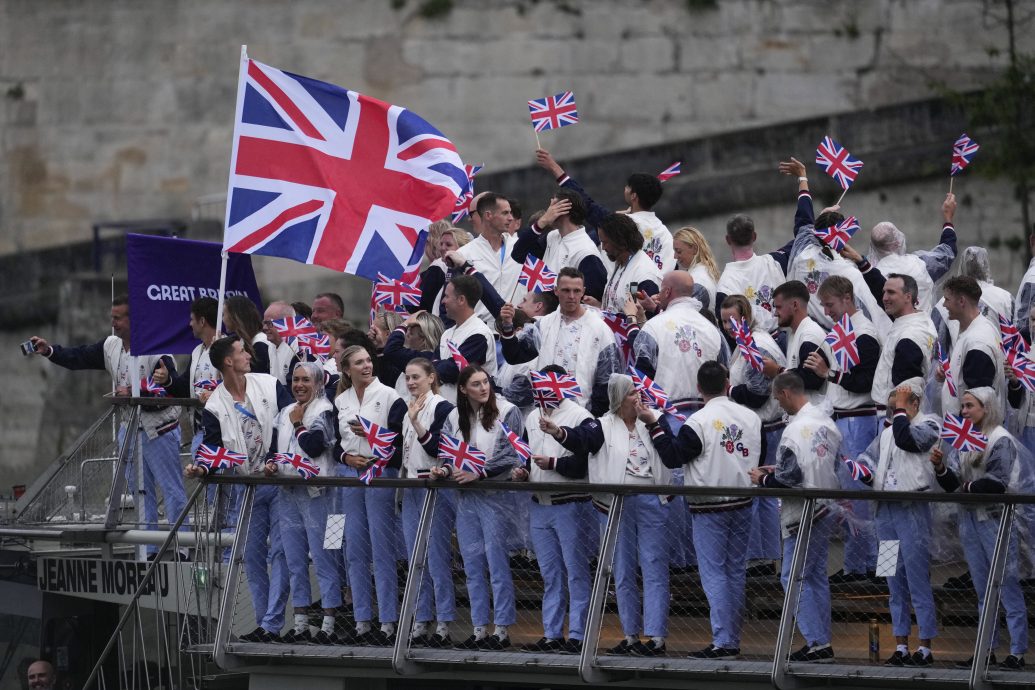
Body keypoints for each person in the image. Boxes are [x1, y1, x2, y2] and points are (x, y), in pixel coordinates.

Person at [29, 295, 186, 542]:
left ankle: (183, 548)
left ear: (133, 319)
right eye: (111, 317)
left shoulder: (157, 349)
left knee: (172, 490)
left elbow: (170, 388)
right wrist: (50, 351)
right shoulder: (111, 345)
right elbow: (78, 357)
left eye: (117, 318)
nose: (112, 323)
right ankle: (149, 548)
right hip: (129, 429)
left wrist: (136, 392)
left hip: (160, 430)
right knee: (140, 492)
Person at [547, 374, 679, 656]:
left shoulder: (655, 419)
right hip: (614, 504)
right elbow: (581, 441)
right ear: (619, 398)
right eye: (633, 393)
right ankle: (631, 636)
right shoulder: (602, 424)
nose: (639, 397)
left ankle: (656, 638)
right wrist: (558, 432)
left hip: (651, 499)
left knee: (654, 567)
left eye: (639, 392)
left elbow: (672, 452)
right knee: (622, 569)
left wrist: (652, 421)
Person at [649, 362, 762, 660]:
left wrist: (653, 425)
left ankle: (724, 641)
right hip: (742, 501)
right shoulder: (751, 417)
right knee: (735, 571)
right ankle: (730, 639)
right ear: (727, 382)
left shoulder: (697, 421)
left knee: (714, 574)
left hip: (710, 506)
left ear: (698, 388)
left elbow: (673, 458)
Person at [184, 335, 292, 643]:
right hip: (249, 487)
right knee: (253, 556)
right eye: (242, 351)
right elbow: (213, 448)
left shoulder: (269, 384)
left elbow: (288, 422)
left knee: (282, 553)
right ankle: (264, 622)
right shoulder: (216, 405)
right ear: (228, 362)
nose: (249, 354)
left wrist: (275, 459)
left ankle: (272, 623)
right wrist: (201, 467)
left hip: (281, 482)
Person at [932, 387, 1029, 670]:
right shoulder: (966, 439)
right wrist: (940, 468)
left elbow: (996, 482)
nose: (963, 411)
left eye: (969, 406)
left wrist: (964, 487)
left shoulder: (999, 438)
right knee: (982, 588)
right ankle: (986, 649)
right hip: (969, 518)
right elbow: (954, 484)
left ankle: (1018, 651)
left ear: (986, 407)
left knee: (1005, 583)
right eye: (962, 406)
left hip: (995, 518)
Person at [430, 365, 525, 650]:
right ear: (463, 389)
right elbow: (447, 453)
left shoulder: (508, 411)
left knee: (496, 563)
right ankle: (479, 627)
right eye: (476, 384)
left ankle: (502, 630)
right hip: (465, 497)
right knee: (472, 564)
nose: (484, 388)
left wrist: (479, 473)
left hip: (495, 495)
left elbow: (510, 455)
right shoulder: (453, 415)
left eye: (486, 382)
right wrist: (445, 471)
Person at [750, 372, 842, 664]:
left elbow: (790, 480)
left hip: (803, 512)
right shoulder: (826, 422)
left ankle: (817, 643)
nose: (778, 404)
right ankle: (822, 639)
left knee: (791, 576)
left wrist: (762, 480)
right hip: (826, 504)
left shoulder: (792, 431)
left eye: (777, 398)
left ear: (786, 394)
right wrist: (776, 470)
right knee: (815, 577)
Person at [853, 379, 940, 666]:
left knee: (917, 578)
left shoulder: (931, 425)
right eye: (891, 408)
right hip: (885, 512)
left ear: (915, 402)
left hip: (912, 510)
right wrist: (862, 470)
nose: (893, 413)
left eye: (898, 406)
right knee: (892, 579)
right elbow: (869, 457)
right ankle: (901, 642)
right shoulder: (889, 432)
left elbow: (909, 440)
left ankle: (925, 645)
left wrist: (901, 412)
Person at [511, 364, 594, 655]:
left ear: (558, 387)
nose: (539, 391)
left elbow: (586, 463)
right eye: (537, 386)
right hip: (540, 503)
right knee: (550, 573)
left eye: (544, 386)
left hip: (571, 501)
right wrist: (522, 470)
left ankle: (579, 635)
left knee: (576, 572)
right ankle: (551, 634)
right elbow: (525, 453)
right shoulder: (532, 416)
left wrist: (556, 464)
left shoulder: (580, 414)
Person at [804, 276, 882, 582]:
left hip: (859, 420)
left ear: (848, 298)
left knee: (869, 501)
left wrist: (830, 374)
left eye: (830, 304)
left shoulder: (864, 334)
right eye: (823, 305)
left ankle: (881, 570)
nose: (827, 310)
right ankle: (859, 567)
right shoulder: (844, 332)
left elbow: (866, 381)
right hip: (848, 419)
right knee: (854, 498)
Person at [335, 345, 407, 645]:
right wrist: (346, 458)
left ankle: (388, 620)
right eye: (359, 362)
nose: (366, 366)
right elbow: (335, 442)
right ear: (346, 369)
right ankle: (362, 619)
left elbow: (402, 442)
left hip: (380, 475)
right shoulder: (340, 400)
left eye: (368, 360)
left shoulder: (390, 395)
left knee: (382, 548)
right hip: (350, 477)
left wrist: (376, 444)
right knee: (354, 548)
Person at [268, 361, 342, 644]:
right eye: (295, 380)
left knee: (327, 555)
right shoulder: (284, 411)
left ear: (318, 383)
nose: (299, 385)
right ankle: (300, 623)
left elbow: (314, 446)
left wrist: (299, 423)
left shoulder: (325, 410)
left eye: (305, 380)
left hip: (324, 494)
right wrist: (270, 464)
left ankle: (329, 622)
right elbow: (274, 450)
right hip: (288, 492)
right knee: (293, 558)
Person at [778, 158, 890, 333]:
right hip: (843, 342)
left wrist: (802, 178)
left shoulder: (802, 252)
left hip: (807, 334)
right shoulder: (850, 273)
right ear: (843, 236)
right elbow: (871, 314)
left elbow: (804, 219)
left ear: (816, 231)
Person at [499, 267, 621, 415]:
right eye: (566, 290)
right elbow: (515, 356)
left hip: (580, 416)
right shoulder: (543, 325)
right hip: (544, 412)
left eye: (576, 291)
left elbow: (606, 382)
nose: (571, 296)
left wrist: (592, 417)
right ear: (556, 290)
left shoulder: (600, 330)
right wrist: (507, 326)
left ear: (583, 291)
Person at [719, 295, 784, 570]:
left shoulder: (755, 345)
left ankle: (761, 558)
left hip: (763, 428)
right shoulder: (748, 341)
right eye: (723, 322)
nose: (727, 327)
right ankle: (766, 554)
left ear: (744, 317)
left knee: (759, 492)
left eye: (731, 320)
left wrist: (729, 390)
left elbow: (758, 393)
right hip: (762, 427)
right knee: (764, 494)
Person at [534, 148, 675, 272]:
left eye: (628, 187)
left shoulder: (617, 224)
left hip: (623, 297)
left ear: (633, 196)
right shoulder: (666, 234)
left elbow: (586, 203)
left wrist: (554, 167)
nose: (624, 189)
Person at [398, 358, 457, 647]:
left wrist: (417, 421)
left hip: (435, 487)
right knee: (415, 557)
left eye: (416, 377)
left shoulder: (444, 407)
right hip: (412, 486)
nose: (411, 383)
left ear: (431, 377)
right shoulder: (408, 409)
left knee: (436, 556)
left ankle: (444, 622)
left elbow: (438, 448)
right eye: (408, 377)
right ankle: (421, 618)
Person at [631, 271, 725, 418]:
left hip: (663, 418)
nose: (659, 295)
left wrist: (631, 320)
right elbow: (724, 375)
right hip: (705, 418)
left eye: (661, 290)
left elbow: (640, 379)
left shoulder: (653, 327)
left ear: (667, 291)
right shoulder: (712, 330)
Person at [865, 194, 959, 313]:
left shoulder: (871, 277)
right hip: (923, 328)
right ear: (898, 242)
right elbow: (948, 252)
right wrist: (948, 218)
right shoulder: (921, 265)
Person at [510, 190, 607, 301]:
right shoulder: (552, 237)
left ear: (563, 210)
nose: (548, 211)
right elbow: (518, 254)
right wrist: (542, 222)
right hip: (544, 316)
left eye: (552, 206)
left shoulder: (585, 251)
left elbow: (593, 298)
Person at [153, 296, 220, 454]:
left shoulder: (225, 348)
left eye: (192, 319)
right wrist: (167, 380)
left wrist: (217, 393)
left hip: (220, 433)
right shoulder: (197, 351)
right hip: (199, 431)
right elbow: (185, 387)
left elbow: (236, 387)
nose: (190, 324)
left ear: (202, 321)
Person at [938, 276, 1004, 415]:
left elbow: (977, 404)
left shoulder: (977, 342)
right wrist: (952, 374)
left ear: (961, 301)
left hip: (968, 432)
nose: (944, 305)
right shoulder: (975, 329)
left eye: (947, 299)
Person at [871, 274, 938, 407]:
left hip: (895, 413)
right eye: (884, 292)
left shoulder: (909, 336)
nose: (884, 298)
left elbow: (906, 389)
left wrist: (893, 421)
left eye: (891, 292)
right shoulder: (920, 320)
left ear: (908, 297)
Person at [715, 214, 789, 332]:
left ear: (728, 240)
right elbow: (802, 237)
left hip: (754, 347)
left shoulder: (725, 286)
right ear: (754, 236)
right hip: (786, 342)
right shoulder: (775, 262)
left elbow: (730, 333)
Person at [460, 193, 525, 325]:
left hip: (517, 330)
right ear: (488, 215)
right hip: (481, 333)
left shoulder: (520, 247)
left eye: (511, 213)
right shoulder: (463, 254)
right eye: (505, 213)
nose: (511, 218)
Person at [433, 274, 498, 402]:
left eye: (447, 296)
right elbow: (432, 365)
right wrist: (437, 365)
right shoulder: (447, 333)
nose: (443, 301)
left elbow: (453, 371)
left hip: (471, 410)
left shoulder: (479, 333)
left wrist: (436, 365)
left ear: (461, 299)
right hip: (445, 407)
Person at [762, 281, 828, 405]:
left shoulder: (809, 335)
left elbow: (812, 379)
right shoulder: (795, 332)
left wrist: (778, 371)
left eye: (779, 307)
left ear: (795, 305)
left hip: (813, 415)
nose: (775, 313)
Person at [596, 213, 663, 314]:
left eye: (605, 242)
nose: (603, 248)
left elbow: (641, 318)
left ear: (620, 241)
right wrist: (598, 306)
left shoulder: (643, 275)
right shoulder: (621, 261)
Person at [381, 310, 446, 397]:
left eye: (410, 333)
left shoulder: (424, 359)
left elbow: (391, 350)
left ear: (423, 339)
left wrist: (405, 324)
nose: (405, 335)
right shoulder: (425, 357)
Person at [417, 226, 473, 321]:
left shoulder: (465, 273)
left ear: (462, 248)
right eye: (441, 244)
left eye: (448, 244)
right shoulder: (448, 268)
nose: (442, 248)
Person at [672, 226, 720, 311]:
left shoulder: (698, 281)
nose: (675, 256)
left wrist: (657, 307)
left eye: (679, 251)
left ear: (694, 249)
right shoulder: (705, 271)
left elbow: (683, 314)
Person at [223, 295, 272, 375]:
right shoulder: (242, 342)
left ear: (234, 316)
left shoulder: (260, 344)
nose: (223, 319)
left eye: (224, 314)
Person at [262, 300, 298, 385]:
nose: (264, 328)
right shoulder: (271, 345)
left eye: (269, 323)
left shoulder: (299, 347)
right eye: (264, 323)